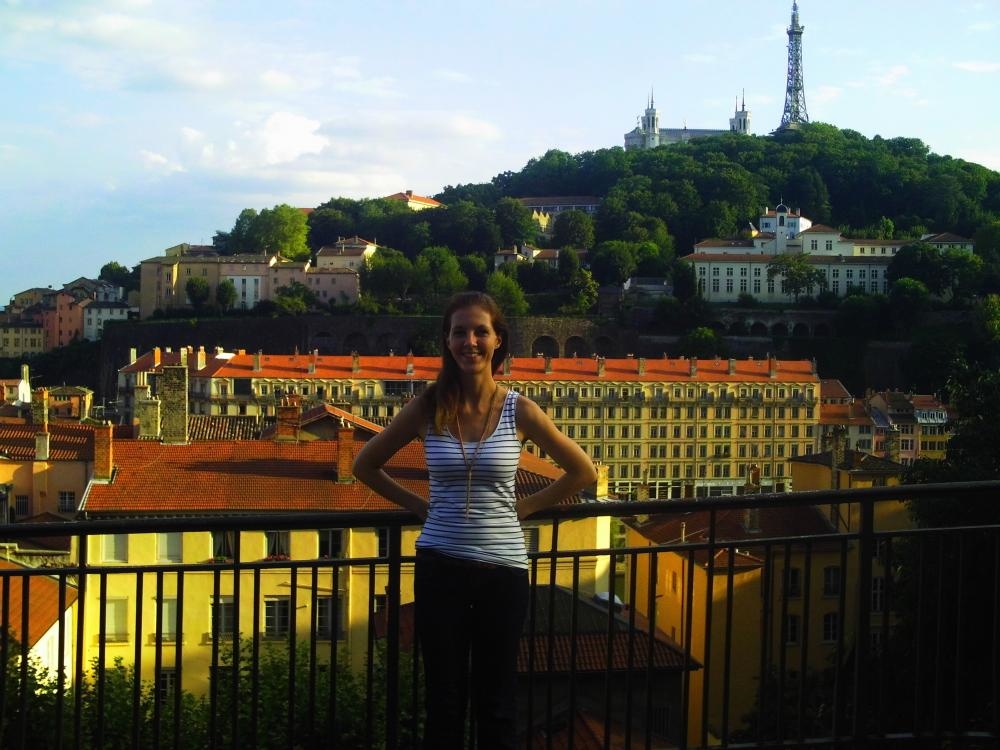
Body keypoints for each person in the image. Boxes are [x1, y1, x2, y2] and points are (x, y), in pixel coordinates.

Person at [353, 291, 597, 749]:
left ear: (497, 340)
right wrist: (418, 506)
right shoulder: (427, 407)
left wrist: (526, 507)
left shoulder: (519, 410)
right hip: (440, 567)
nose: (470, 342)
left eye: (480, 331)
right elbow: (365, 465)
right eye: (459, 332)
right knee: (443, 701)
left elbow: (583, 472)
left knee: (497, 702)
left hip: (503, 572)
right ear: (447, 341)